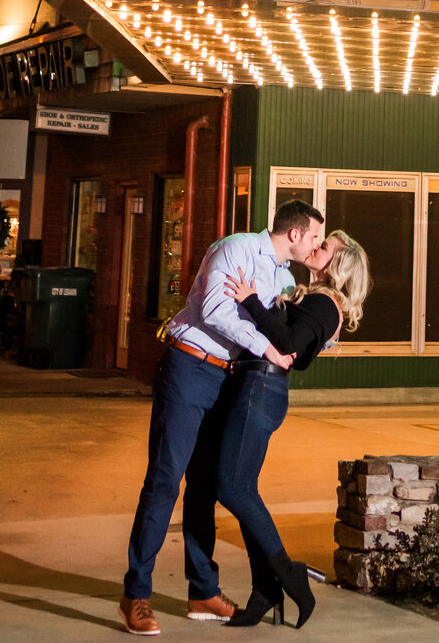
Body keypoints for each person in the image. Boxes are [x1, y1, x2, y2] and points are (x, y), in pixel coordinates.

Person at [118, 199, 327, 637]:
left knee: (205, 487)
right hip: (190, 366)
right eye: (313, 237)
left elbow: (290, 330)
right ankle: (136, 595)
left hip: (226, 378)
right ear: (294, 234)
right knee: (165, 479)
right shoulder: (235, 249)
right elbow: (216, 310)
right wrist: (267, 348)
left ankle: (203, 591)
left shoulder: (284, 277)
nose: (315, 244)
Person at [217, 229, 372, 629]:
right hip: (260, 387)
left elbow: (288, 344)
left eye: (326, 248)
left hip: (261, 389)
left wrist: (249, 299)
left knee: (232, 487)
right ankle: (265, 590)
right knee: (241, 489)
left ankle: (287, 573)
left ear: (337, 265)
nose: (317, 248)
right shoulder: (318, 299)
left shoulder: (325, 304)